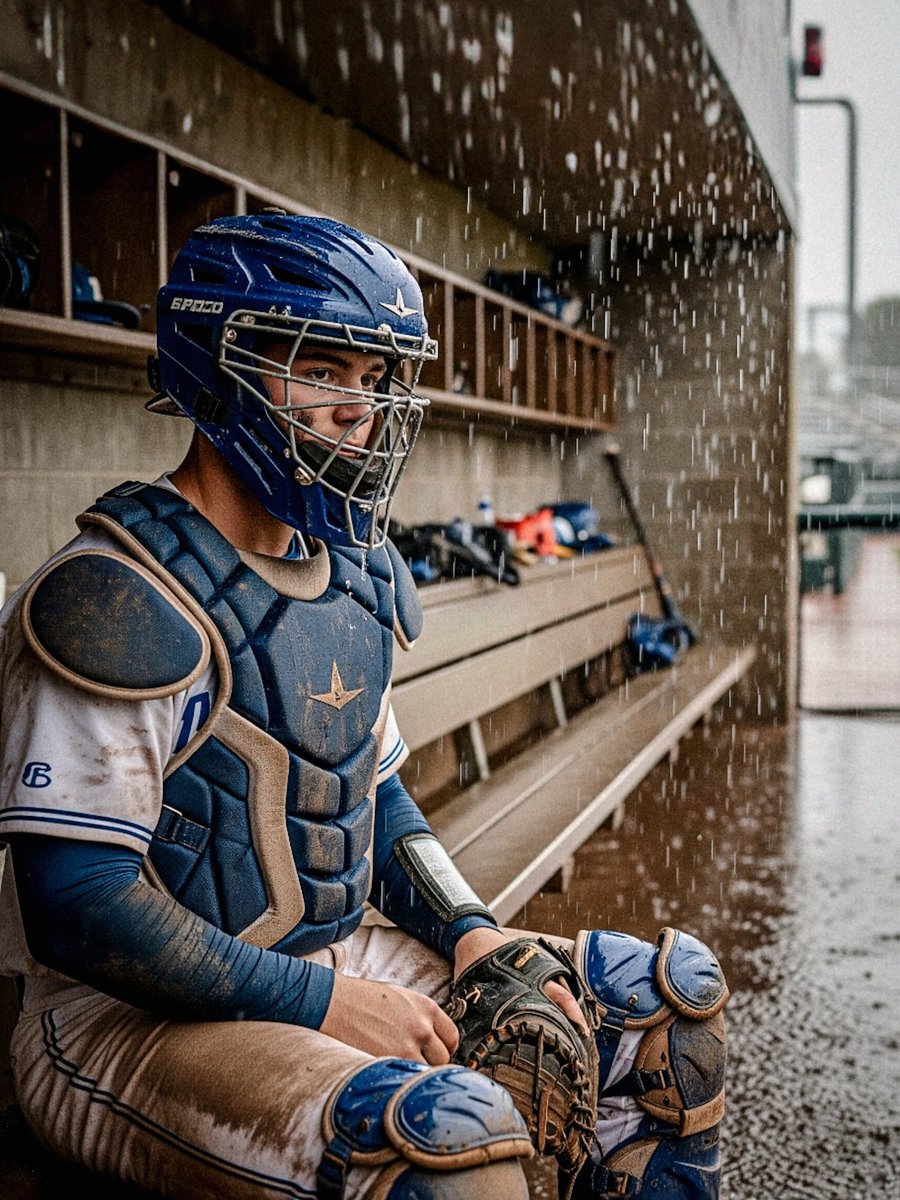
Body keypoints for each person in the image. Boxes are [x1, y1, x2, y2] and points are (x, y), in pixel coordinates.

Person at [0, 212, 728, 1199]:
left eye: (377, 378)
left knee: (657, 1015)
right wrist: (327, 1004)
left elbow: (376, 804)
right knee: (444, 1151)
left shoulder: (348, 577)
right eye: (324, 370)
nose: (362, 408)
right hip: (124, 1020)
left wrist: (470, 928)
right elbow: (77, 909)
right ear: (221, 368)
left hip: (336, 952)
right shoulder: (116, 594)